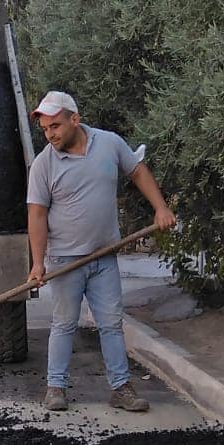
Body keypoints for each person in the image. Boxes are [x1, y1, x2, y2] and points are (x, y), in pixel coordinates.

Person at [25, 90, 177, 413]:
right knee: (64, 323)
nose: (50, 134)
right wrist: (38, 263)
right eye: (45, 129)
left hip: (104, 256)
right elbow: (36, 215)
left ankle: (120, 388)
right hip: (65, 260)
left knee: (110, 323)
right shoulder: (43, 165)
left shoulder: (109, 144)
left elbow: (137, 171)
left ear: (74, 120)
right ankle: (55, 387)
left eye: (55, 126)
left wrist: (160, 208)